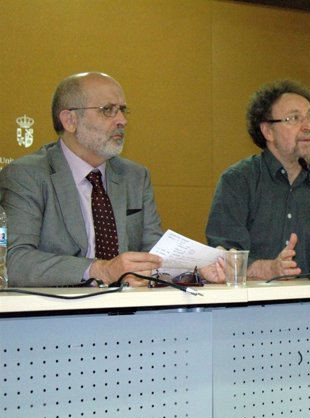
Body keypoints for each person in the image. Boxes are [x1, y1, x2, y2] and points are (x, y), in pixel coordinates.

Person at [0, 72, 223, 287]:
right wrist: (100, 270)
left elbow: (155, 253)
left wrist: (194, 269)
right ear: (70, 120)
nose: (122, 120)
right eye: (108, 110)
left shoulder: (134, 176)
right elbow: (15, 260)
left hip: (126, 312)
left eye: (123, 110)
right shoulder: (28, 175)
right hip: (53, 315)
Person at [205, 80, 310, 280]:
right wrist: (270, 269)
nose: (308, 126)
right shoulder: (238, 181)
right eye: (294, 118)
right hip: (251, 306)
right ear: (267, 131)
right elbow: (224, 257)